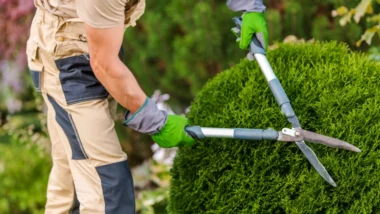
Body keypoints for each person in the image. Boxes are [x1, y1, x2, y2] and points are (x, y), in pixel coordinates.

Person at [26, 0, 268, 213]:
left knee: (72, 176)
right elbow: (104, 64)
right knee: (106, 188)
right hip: (67, 57)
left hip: (95, 38)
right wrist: (157, 123)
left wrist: (248, 8)